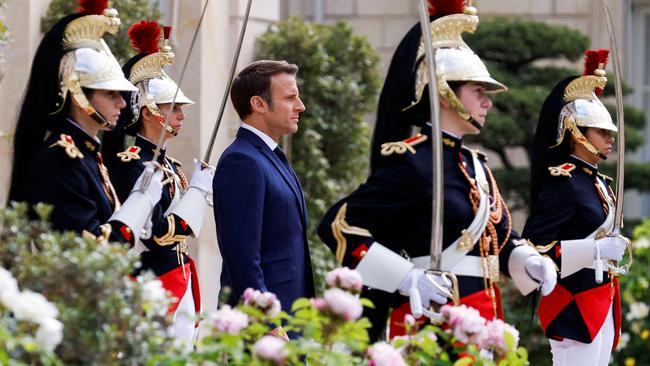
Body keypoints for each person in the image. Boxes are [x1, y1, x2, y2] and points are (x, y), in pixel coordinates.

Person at [318, 1, 557, 341]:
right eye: (478, 92)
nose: (487, 102)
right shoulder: (412, 162)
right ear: (445, 95)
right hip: (433, 320)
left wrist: (524, 257)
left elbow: (496, 239)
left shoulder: (476, 165)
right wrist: (405, 278)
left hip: (484, 317)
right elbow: (338, 225)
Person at [8, 0, 162, 245]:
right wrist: (139, 204)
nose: (122, 104)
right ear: (78, 95)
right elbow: (92, 248)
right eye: (110, 94)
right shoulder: (60, 160)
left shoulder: (87, 155)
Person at [101, 20, 213, 345]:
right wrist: (196, 195)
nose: (181, 115)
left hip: (181, 274)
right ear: (150, 111)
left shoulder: (172, 165)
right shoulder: (132, 164)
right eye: (173, 107)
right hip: (155, 279)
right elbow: (156, 233)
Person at [522, 49, 629, 366]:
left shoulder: (599, 182)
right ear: (576, 132)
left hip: (603, 302)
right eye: (602, 132)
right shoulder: (563, 182)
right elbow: (535, 248)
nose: (610, 139)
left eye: (611, 132)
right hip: (573, 305)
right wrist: (594, 251)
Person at [213, 60, 315, 314]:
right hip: (265, 320)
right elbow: (242, 257)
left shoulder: (269, 154)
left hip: (291, 311)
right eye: (290, 98)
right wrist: (266, 321)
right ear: (258, 104)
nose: (300, 106)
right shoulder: (242, 160)